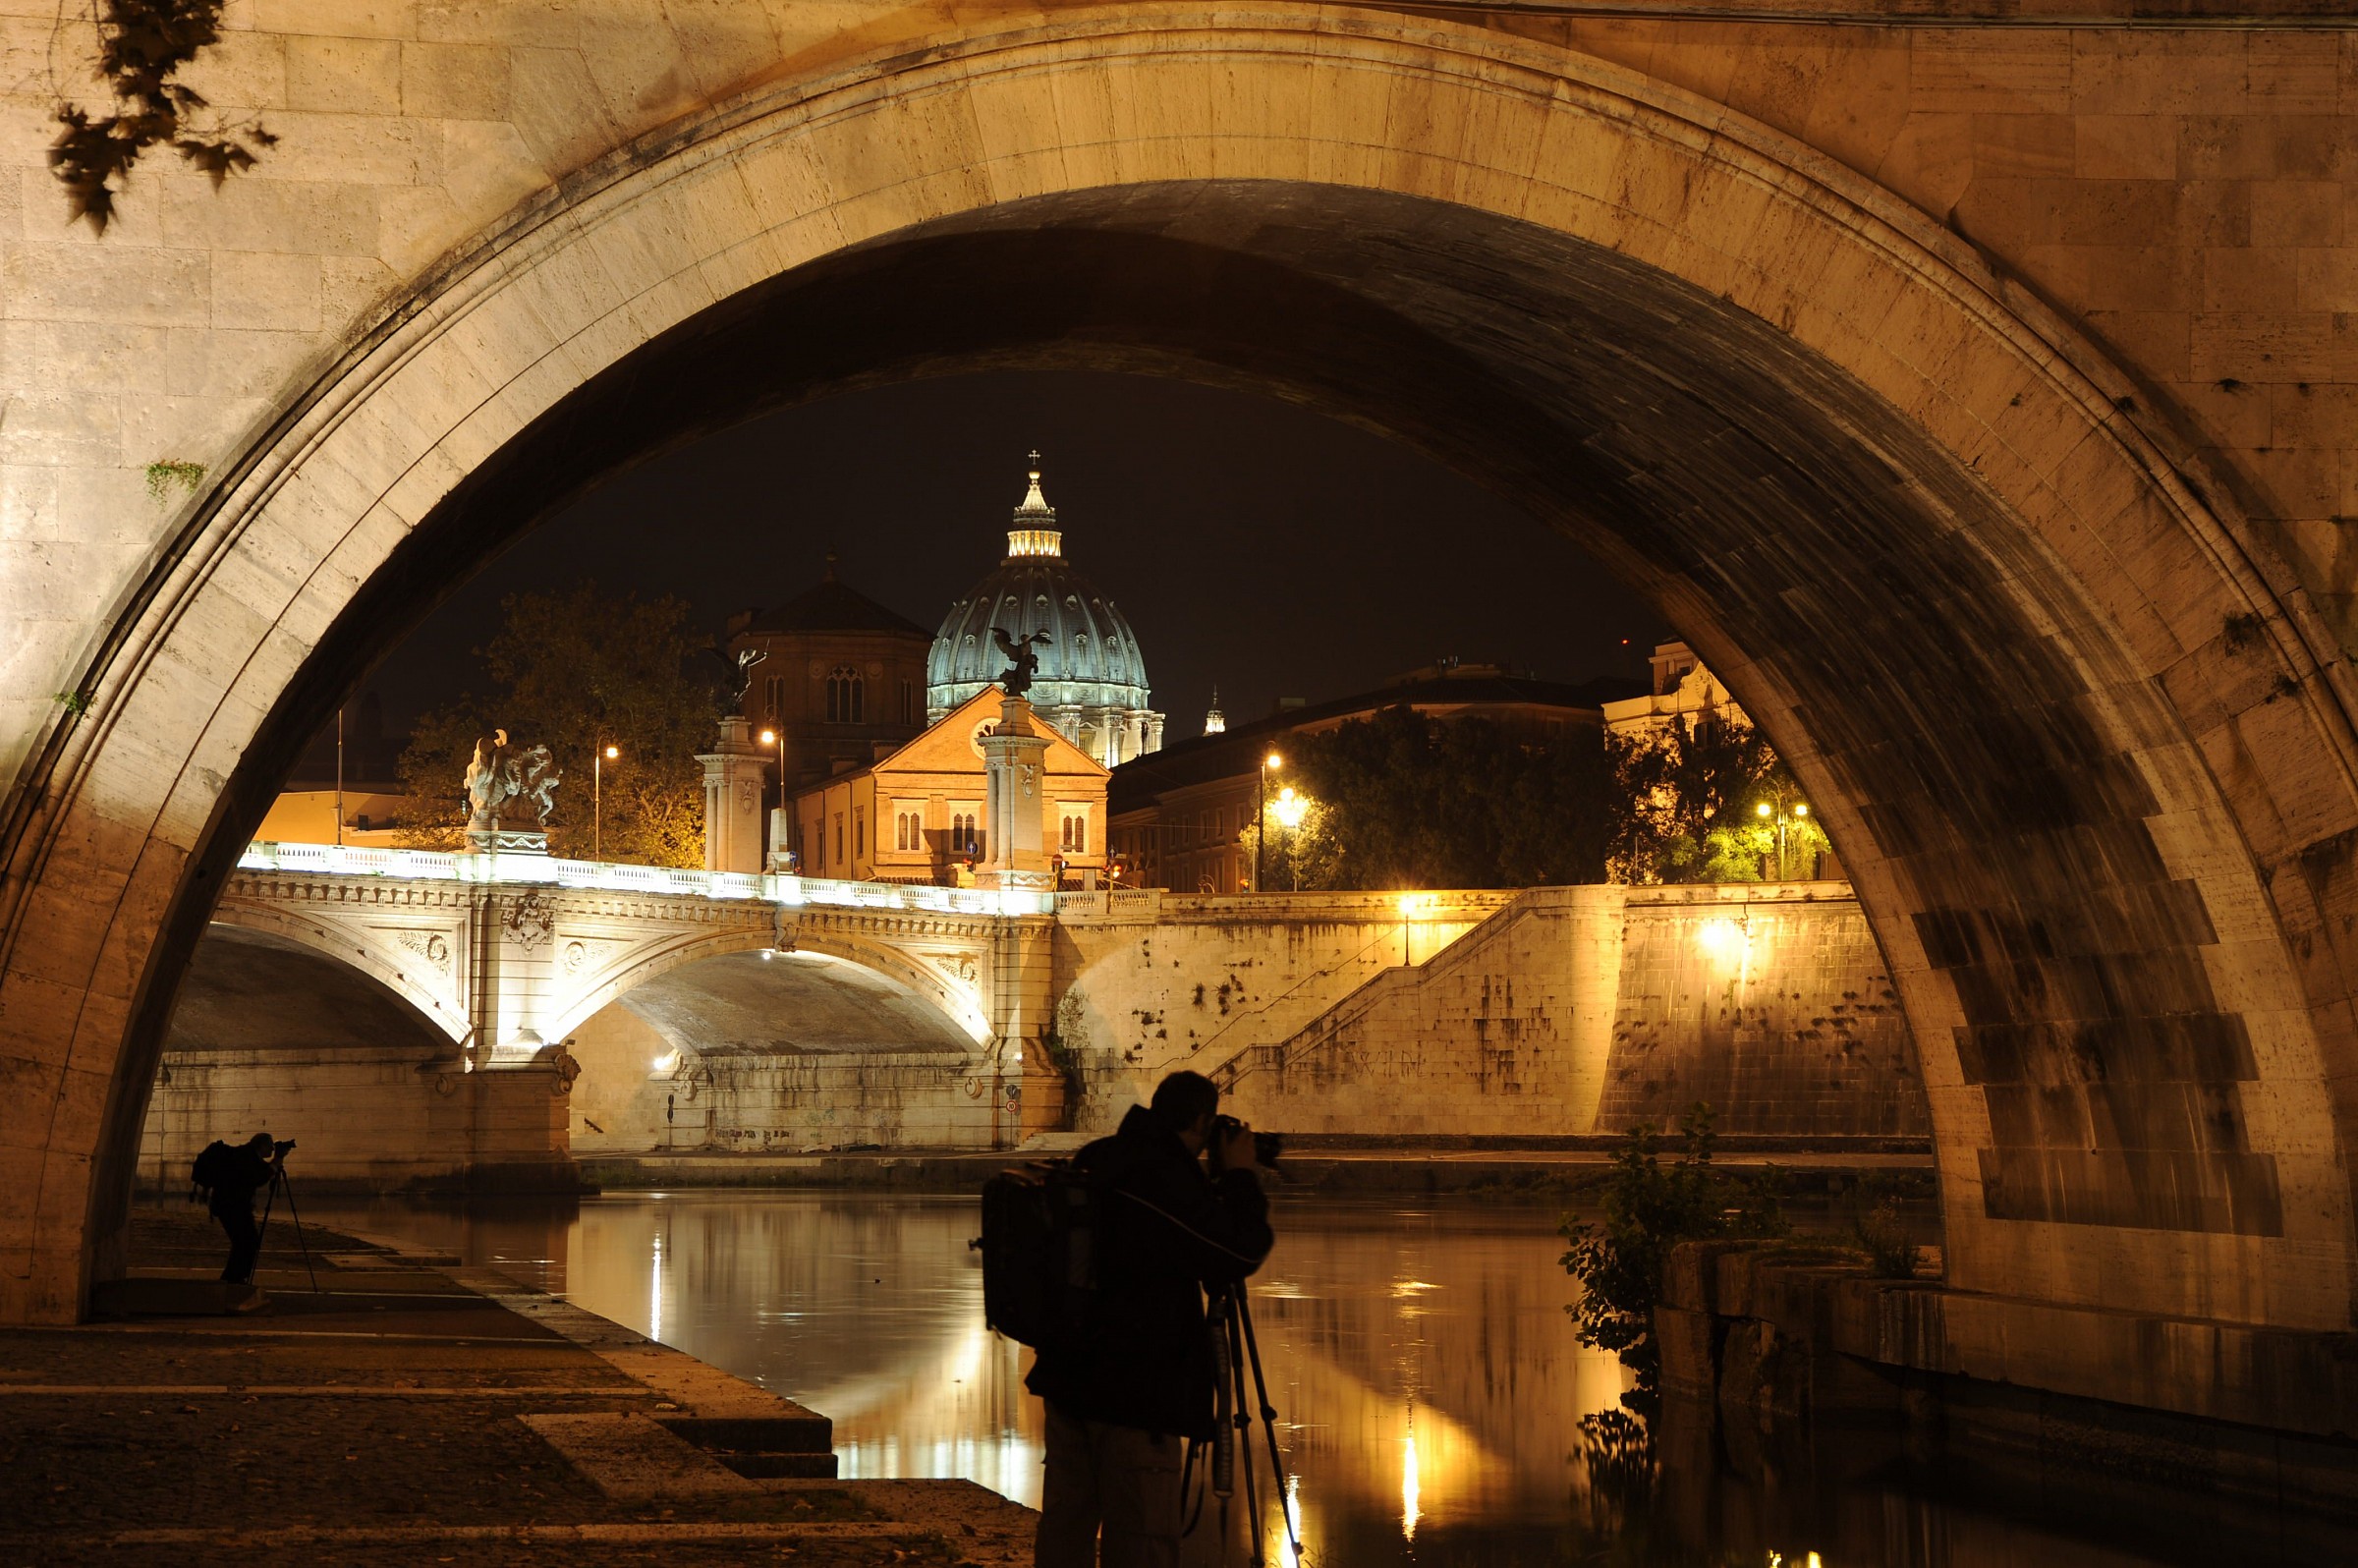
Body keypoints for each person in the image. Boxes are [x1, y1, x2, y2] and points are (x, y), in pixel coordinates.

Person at [1028, 1070, 1274, 1567]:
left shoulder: (1100, 1156)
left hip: (1068, 1380)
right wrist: (1240, 1177)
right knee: (1143, 1541)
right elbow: (1237, 1251)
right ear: (1201, 1122)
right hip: (1134, 1394)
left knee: (1065, 1530)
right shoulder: (1162, 1176)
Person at [210, 1132, 287, 1286]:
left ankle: (233, 1278)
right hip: (232, 1206)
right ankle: (234, 1278)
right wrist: (276, 1162)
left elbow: (263, 1169)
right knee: (247, 1241)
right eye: (270, 1146)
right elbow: (258, 1178)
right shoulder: (246, 1156)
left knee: (244, 1241)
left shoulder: (249, 1154)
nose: (272, 1149)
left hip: (234, 1206)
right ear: (261, 1145)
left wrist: (278, 1159)